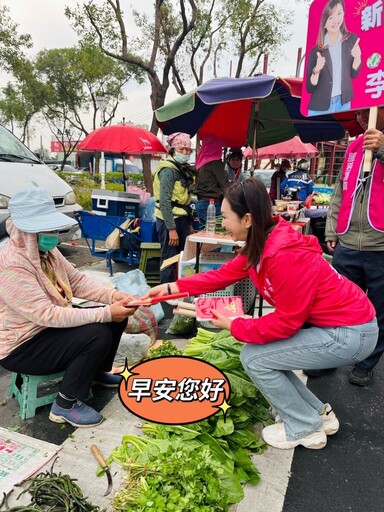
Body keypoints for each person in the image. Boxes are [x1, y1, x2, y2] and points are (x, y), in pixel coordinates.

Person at [141, 178, 377, 450]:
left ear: (248, 219)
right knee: (267, 356)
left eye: (226, 217)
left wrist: (236, 325)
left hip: (351, 333)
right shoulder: (263, 242)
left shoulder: (283, 255)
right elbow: (222, 276)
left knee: (254, 357)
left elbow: (287, 323)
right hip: (340, 327)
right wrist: (172, 287)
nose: (223, 224)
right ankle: (318, 415)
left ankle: (303, 428)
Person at [0, 188, 137, 427]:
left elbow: (76, 281)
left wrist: (114, 296)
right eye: (48, 229)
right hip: (22, 346)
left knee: (116, 317)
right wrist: (105, 312)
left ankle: (95, 373)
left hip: (44, 331)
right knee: (97, 332)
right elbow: (47, 314)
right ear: (27, 230)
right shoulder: (13, 264)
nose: (54, 234)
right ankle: (64, 405)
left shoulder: (46, 252)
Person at [305, 106, 384, 386]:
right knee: (333, 305)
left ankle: (366, 363)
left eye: (371, 111)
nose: (363, 118)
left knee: (378, 310)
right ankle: (328, 357)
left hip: (380, 247)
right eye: (360, 113)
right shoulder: (354, 148)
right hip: (347, 242)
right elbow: (341, 190)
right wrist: (332, 229)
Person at [153, 132, 197, 283]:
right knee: (169, 259)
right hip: (169, 221)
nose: (185, 153)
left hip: (182, 219)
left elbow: (184, 199)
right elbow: (165, 201)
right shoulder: (168, 170)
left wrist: (189, 223)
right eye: (181, 150)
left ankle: (179, 290)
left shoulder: (181, 170)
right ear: (172, 151)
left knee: (183, 258)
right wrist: (171, 229)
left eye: (187, 150)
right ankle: (165, 296)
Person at [306, 0, 361, 116]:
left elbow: (354, 74)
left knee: (343, 135)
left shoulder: (351, 40)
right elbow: (310, 88)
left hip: (343, 102)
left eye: (339, 13)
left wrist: (357, 57)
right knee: (315, 134)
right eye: (330, 17)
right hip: (319, 106)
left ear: (344, 13)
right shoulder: (316, 51)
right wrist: (316, 71)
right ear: (324, 23)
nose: (336, 20)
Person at [195, 135, 229, 230]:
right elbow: (224, 184)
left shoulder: (201, 163)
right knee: (215, 236)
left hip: (201, 203)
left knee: (204, 233)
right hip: (212, 205)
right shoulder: (216, 163)